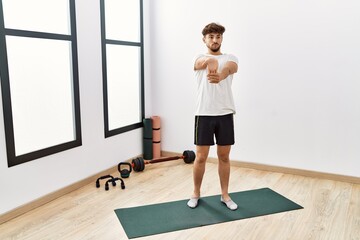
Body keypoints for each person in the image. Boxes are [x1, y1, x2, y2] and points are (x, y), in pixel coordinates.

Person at [187, 22, 238, 211]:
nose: (214, 40)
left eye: (218, 36)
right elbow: (201, 63)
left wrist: (221, 74)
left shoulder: (230, 57)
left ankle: (225, 195)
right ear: (204, 39)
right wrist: (210, 62)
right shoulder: (198, 57)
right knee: (200, 157)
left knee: (224, 157)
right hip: (204, 113)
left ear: (222, 38)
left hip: (224, 113)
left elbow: (231, 68)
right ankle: (195, 193)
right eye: (211, 37)